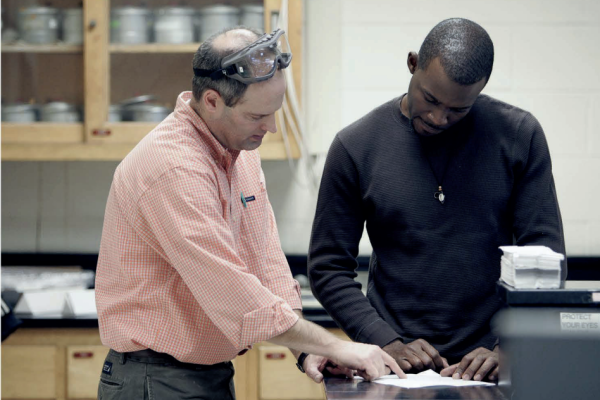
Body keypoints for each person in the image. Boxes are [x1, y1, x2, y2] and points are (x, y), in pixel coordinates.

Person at [95, 27, 402, 400]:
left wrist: (307, 349)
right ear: (211, 100)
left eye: (275, 112)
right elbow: (234, 295)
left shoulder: (239, 152)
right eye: (258, 115)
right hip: (154, 380)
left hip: (207, 375)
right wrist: (337, 347)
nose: (270, 127)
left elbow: (265, 261)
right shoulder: (174, 169)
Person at [308, 18, 566, 383]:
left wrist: (509, 347)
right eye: (429, 98)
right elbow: (327, 267)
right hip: (395, 369)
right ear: (412, 64)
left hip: (491, 369)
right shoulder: (356, 146)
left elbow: (544, 257)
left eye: (458, 109)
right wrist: (383, 341)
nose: (438, 117)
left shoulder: (519, 137)